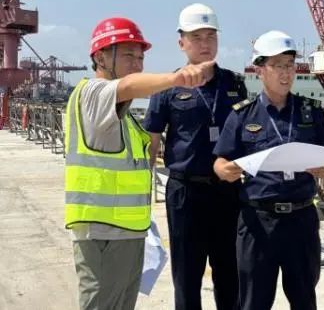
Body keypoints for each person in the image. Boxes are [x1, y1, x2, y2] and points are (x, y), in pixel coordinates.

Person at [64, 17, 214, 310]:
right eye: (128, 55)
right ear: (100, 57)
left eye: (141, 58)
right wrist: (177, 78)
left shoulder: (122, 115)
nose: (137, 64)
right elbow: (130, 85)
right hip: (102, 234)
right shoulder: (92, 93)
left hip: (127, 231)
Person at [213, 30, 324, 310]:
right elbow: (219, 163)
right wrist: (227, 170)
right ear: (260, 70)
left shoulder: (311, 111)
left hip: (301, 220)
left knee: (304, 299)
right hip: (258, 222)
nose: (286, 73)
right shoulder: (242, 115)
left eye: (290, 65)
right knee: (253, 302)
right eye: (278, 65)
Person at [143, 3, 246, 310]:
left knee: (230, 274)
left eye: (211, 36)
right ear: (182, 43)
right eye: (197, 37)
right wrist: (141, 196)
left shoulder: (234, 84)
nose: (205, 44)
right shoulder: (167, 87)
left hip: (228, 192)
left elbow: (246, 135)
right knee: (187, 277)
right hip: (185, 194)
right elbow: (151, 144)